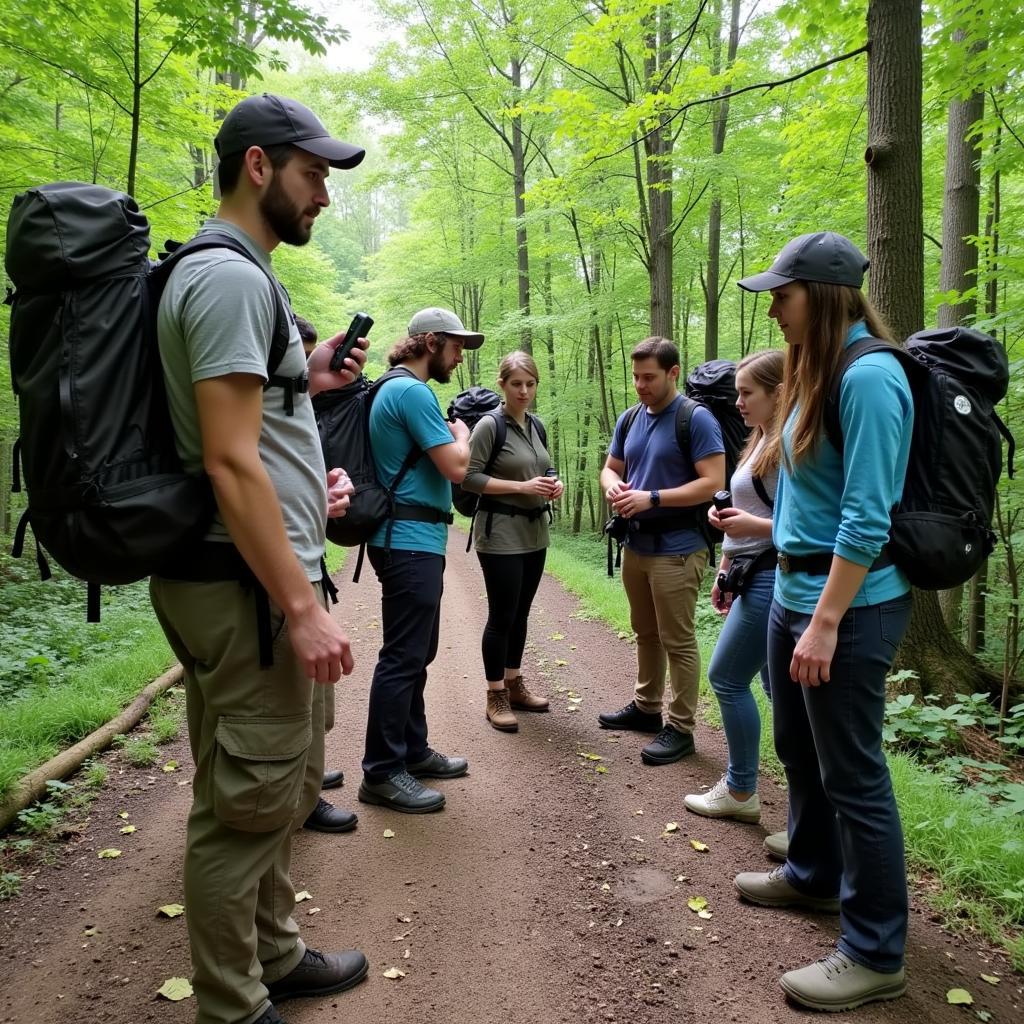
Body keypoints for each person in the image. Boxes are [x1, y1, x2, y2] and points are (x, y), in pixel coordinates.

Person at [151, 94, 371, 1024]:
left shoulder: (237, 276)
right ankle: (233, 1005)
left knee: (272, 784)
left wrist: (306, 386)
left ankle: (274, 954)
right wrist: (302, 604)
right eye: (313, 173)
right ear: (258, 166)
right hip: (245, 590)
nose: (323, 194)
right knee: (241, 811)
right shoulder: (232, 280)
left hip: (246, 577)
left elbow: (253, 437)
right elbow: (228, 458)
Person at [731, 232, 914, 1011]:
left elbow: (868, 517)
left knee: (855, 776)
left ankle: (875, 950)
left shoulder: (869, 378)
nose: (773, 306)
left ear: (825, 294)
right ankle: (811, 874)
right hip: (792, 589)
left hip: (851, 605)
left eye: (782, 293)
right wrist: (758, 544)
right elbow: (810, 504)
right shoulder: (813, 369)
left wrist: (828, 620)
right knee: (797, 746)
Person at [356, 308, 481, 813]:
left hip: (414, 539)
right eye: (455, 347)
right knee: (403, 655)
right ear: (430, 343)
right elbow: (455, 466)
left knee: (417, 651)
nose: (459, 357)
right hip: (406, 540)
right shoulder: (411, 391)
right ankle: (382, 772)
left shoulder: (397, 388)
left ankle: (412, 750)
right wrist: (464, 435)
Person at [597, 337, 725, 764]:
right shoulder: (630, 418)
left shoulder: (695, 418)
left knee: (678, 639)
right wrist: (612, 485)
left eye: (648, 377)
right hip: (636, 543)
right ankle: (647, 708)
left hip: (679, 547)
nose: (639, 385)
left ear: (673, 373)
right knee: (645, 632)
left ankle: (681, 727)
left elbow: (712, 482)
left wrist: (653, 498)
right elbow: (611, 467)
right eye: (635, 376)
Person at [683, 350, 782, 825]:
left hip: (772, 576)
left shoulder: (788, 447)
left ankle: (742, 789)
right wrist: (725, 562)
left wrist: (749, 527)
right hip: (749, 572)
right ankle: (807, 806)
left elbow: (808, 526)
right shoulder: (759, 440)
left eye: (747, 393)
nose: (737, 402)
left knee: (726, 677)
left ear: (778, 394)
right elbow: (748, 515)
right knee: (772, 684)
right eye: (737, 393)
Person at [461, 351, 563, 731]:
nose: (524, 391)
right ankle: (495, 693)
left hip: (535, 533)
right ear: (501, 385)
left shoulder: (536, 425)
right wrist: (521, 486)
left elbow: (543, 465)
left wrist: (554, 482)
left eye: (530, 384)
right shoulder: (490, 426)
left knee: (521, 613)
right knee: (502, 615)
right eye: (516, 384)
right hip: (500, 533)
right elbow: (467, 477)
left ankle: (515, 682)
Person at [293, 312, 355, 833]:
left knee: (318, 706)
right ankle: (300, 795)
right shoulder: (264, 413)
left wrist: (323, 495)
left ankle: (304, 779)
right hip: (288, 575)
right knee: (299, 705)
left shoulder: (300, 413)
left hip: (307, 563)